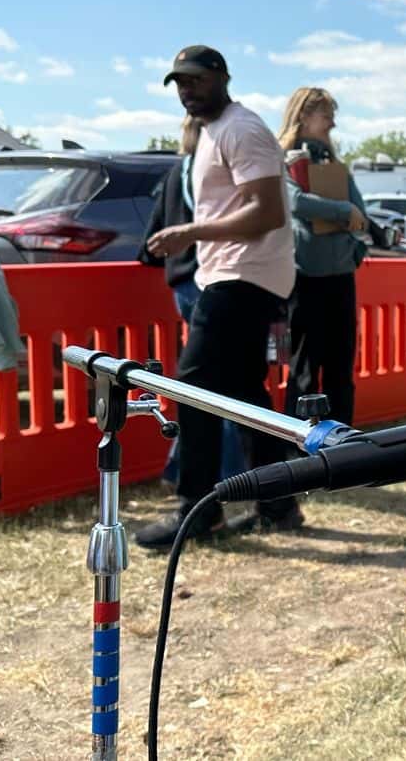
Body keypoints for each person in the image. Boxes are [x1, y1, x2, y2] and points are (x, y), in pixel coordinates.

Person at [135, 45, 301, 548]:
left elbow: (268, 212)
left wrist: (190, 232)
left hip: (242, 277)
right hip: (235, 276)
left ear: (222, 77)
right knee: (248, 397)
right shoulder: (212, 132)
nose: (187, 90)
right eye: (179, 83)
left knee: (193, 385)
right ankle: (278, 503)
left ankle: (199, 511)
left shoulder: (241, 129)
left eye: (196, 80)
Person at [137, 115, 246, 486]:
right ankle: (228, 475)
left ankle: (181, 468)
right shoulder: (213, 175)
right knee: (222, 387)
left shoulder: (173, 174)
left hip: (181, 285)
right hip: (213, 283)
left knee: (202, 383)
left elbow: (150, 240)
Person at [277, 86, 367, 428]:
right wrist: (342, 210)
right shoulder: (284, 160)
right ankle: (298, 445)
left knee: (340, 364)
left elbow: (361, 212)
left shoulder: (334, 163)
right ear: (303, 115)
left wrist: (356, 249)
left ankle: (341, 442)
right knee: (304, 368)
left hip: (341, 276)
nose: (332, 122)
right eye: (326, 114)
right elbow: (296, 202)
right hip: (305, 277)